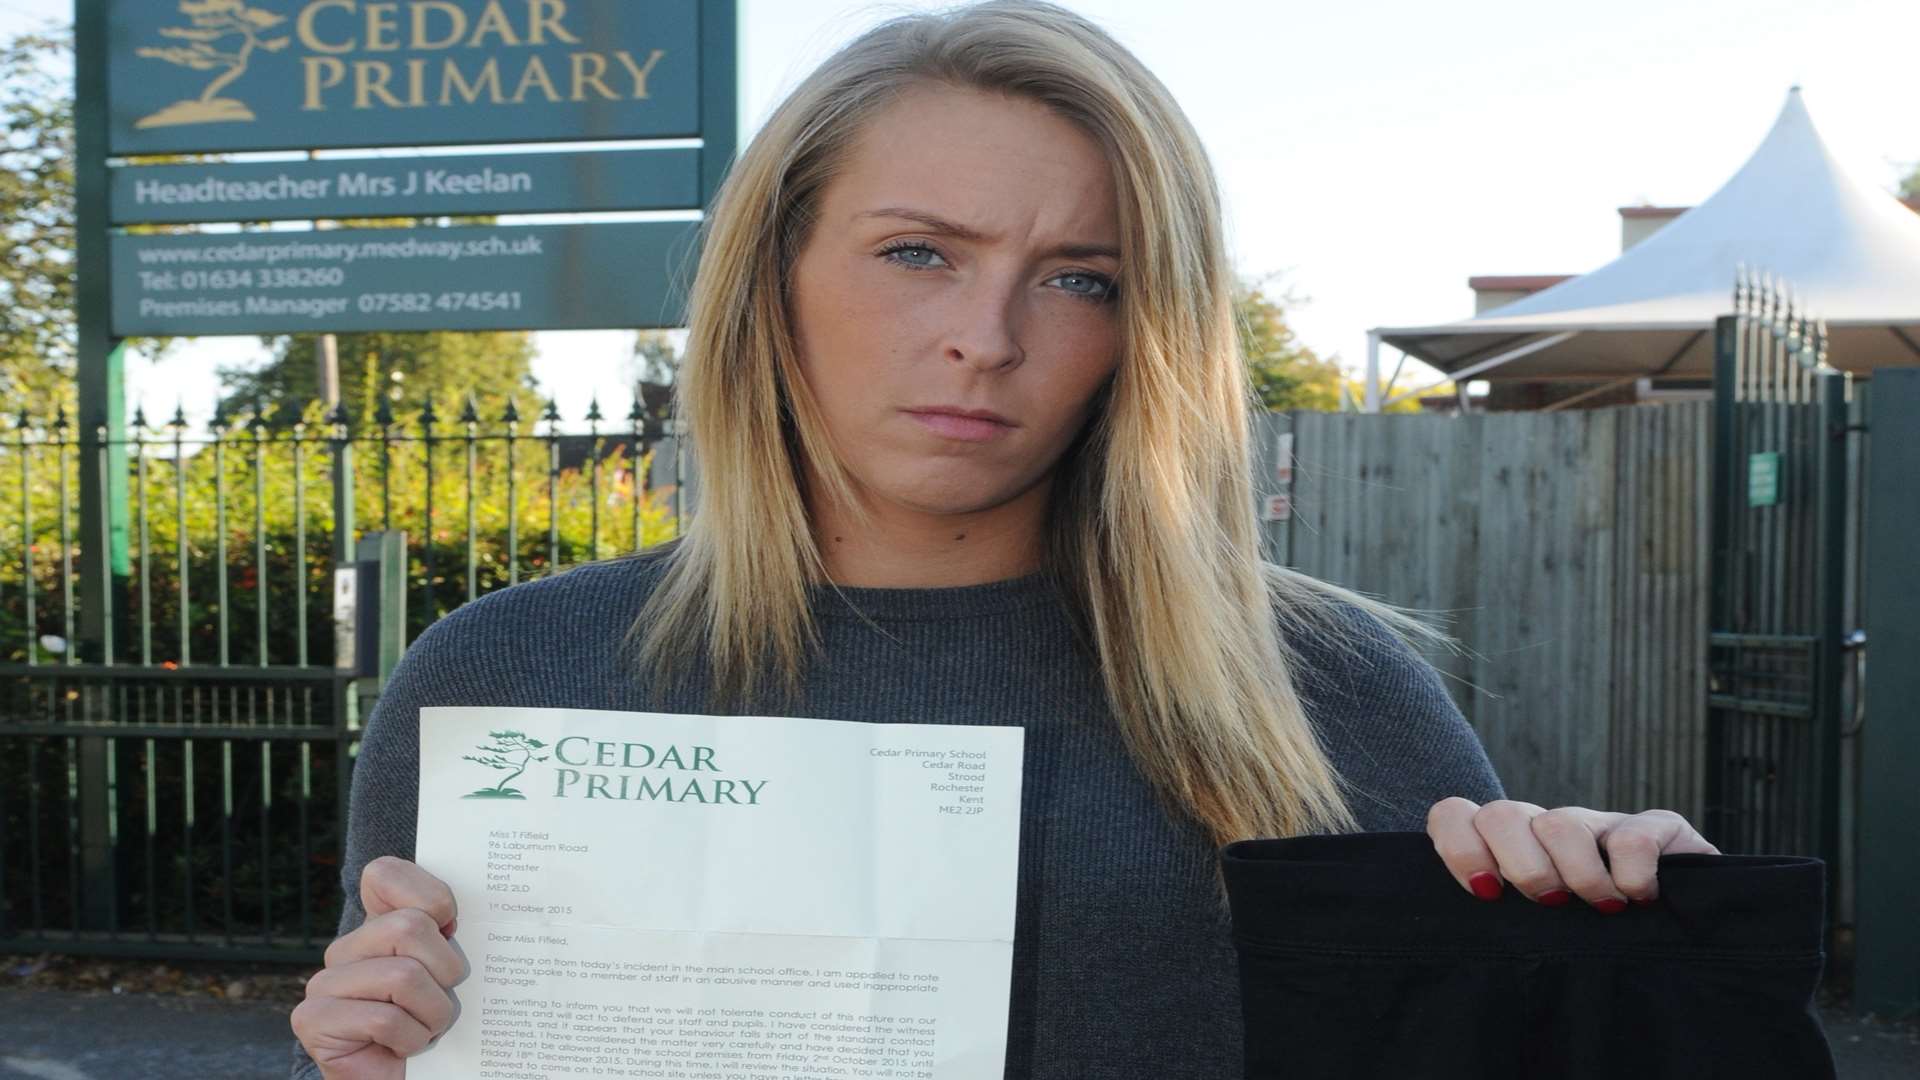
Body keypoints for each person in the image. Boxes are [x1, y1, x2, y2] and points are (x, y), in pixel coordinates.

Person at [288, 3, 1720, 1077]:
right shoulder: (510, 674)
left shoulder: (1323, 687)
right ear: (771, 275)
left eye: (1081, 278)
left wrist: (1617, 946)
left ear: (1144, 331)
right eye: (919, 253)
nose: (986, 338)